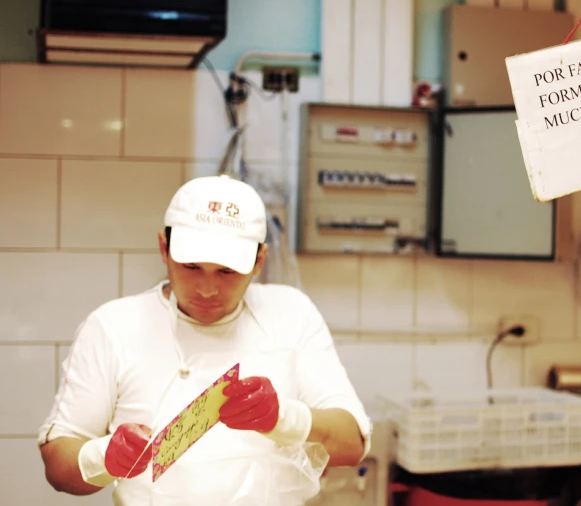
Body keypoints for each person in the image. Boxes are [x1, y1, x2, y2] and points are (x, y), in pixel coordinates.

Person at [38, 175, 372, 505]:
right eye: (191, 266)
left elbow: (352, 441)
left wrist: (283, 417)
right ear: (163, 248)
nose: (208, 289)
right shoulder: (113, 327)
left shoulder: (290, 314)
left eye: (227, 272)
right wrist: (103, 457)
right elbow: (57, 464)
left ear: (259, 261)